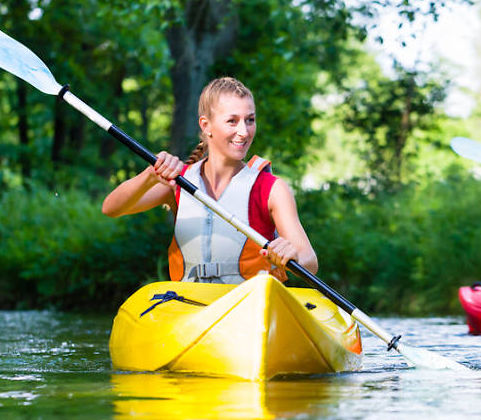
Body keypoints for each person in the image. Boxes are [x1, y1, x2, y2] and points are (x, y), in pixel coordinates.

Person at [101, 76, 318, 284]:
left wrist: (293, 256)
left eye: (250, 120)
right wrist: (149, 175)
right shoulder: (180, 181)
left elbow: (310, 262)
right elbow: (111, 208)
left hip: (248, 308)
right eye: (232, 121)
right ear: (206, 126)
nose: (243, 131)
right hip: (189, 304)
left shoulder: (271, 189)